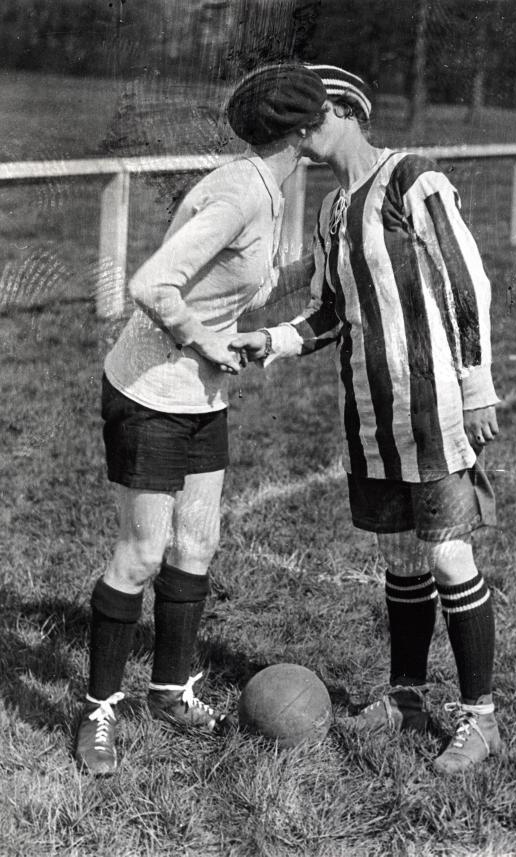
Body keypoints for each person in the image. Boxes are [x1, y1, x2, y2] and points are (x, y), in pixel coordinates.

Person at [232, 64, 502, 774]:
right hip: (369, 415)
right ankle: (405, 695)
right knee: (402, 561)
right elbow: (328, 309)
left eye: (312, 121)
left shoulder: (411, 178)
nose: (304, 138)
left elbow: (465, 279)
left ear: (349, 112)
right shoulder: (330, 211)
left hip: (434, 406)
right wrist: (276, 340)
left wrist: (476, 384)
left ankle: (480, 719)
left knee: (447, 554)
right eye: (296, 128)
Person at [75, 64, 329, 775]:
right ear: (304, 131)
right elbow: (152, 282)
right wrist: (200, 338)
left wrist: (325, 263)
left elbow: (244, 282)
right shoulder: (238, 192)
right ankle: (97, 709)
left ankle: (168, 689)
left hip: (199, 397)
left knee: (198, 543)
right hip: (151, 391)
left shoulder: (265, 185)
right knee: (141, 552)